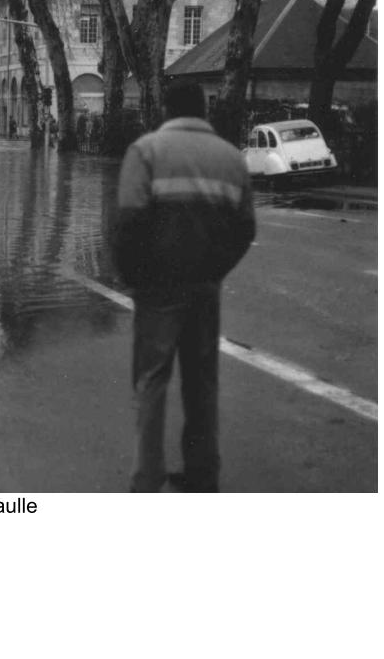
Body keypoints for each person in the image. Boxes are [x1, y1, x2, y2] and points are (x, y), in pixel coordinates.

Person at [112, 79, 256, 493]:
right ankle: (202, 473)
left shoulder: (146, 152)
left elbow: (129, 225)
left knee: (152, 381)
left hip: (157, 288)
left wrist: (134, 278)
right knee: (202, 381)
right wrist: (216, 269)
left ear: (167, 111)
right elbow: (245, 228)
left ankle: (148, 478)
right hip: (205, 286)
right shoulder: (231, 158)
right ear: (204, 111)